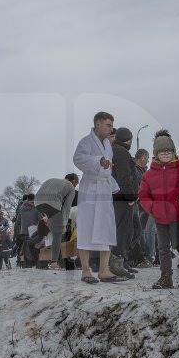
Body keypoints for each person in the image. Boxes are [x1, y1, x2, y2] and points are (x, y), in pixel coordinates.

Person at [139, 130, 179, 289]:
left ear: (173, 152)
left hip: (177, 215)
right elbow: (143, 195)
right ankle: (166, 277)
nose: (165, 153)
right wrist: (152, 207)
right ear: (156, 154)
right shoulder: (149, 175)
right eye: (161, 151)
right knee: (163, 247)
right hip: (159, 216)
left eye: (168, 151)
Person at [72, 111, 125, 284]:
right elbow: (78, 159)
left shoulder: (107, 145)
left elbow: (107, 169)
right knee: (86, 227)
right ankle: (86, 271)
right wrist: (98, 160)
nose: (111, 129)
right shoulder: (86, 142)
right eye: (108, 125)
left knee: (107, 227)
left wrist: (114, 185)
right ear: (98, 124)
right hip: (90, 190)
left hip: (104, 190)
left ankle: (104, 270)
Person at [107, 127, 140, 279]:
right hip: (123, 198)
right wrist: (130, 197)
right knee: (124, 231)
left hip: (122, 197)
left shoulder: (117, 150)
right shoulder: (120, 151)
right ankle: (116, 263)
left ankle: (123, 261)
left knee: (131, 230)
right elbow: (125, 177)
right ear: (128, 139)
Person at [34, 173, 79, 269]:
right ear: (74, 181)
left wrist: (47, 217)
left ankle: (45, 246)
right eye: (76, 184)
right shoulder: (70, 187)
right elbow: (66, 208)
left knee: (53, 228)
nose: (75, 186)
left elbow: (44, 198)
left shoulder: (52, 179)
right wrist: (63, 224)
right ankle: (54, 262)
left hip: (37, 202)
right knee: (57, 234)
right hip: (53, 204)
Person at [134, 149, 155, 268]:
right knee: (146, 230)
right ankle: (148, 256)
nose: (147, 161)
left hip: (147, 204)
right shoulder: (137, 171)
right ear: (142, 158)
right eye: (147, 158)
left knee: (146, 230)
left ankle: (149, 255)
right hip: (144, 204)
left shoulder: (142, 170)